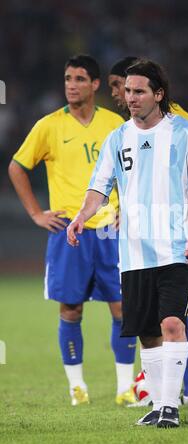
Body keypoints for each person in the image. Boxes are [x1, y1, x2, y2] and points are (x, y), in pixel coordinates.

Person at [67, 59, 188, 428]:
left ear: (158, 94)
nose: (130, 98)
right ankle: (156, 402)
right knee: (147, 333)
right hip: (133, 252)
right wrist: (81, 216)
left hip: (176, 246)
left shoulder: (185, 133)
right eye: (127, 91)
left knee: (170, 324)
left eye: (138, 91)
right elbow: (98, 187)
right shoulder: (117, 138)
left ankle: (171, 407)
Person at [8, 54, 137, 407]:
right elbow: (17, 167)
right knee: (70, 310)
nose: (71, 85)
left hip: (110, 230)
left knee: (123, 309)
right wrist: (36, 213)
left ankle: (125, 389)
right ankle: (76, 388)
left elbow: (132, 171)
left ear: (95, 85)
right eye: (67, 78)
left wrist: (127, 208)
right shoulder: (48, 126)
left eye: (79, 79)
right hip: (69, 232)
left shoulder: (116, 124)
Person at [108, 57, 188, 406]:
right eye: (119, 88)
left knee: (176, 316)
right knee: (149, 322)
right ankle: (162, 396)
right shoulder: (123, 128)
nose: (120, 95)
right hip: (139, 241)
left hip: (174, 234)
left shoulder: (177, 120)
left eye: (126, 87)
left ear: (154, 92)